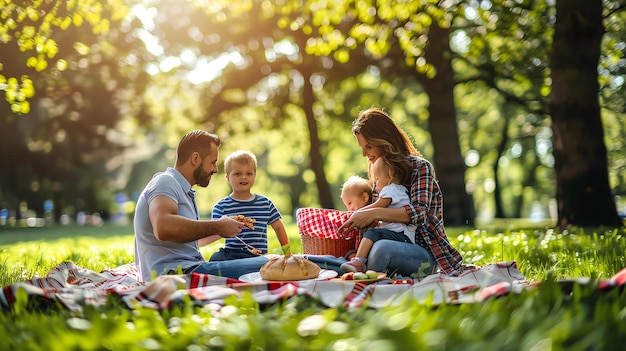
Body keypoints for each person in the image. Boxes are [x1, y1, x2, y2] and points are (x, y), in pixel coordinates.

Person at [338, 107, 463, 276]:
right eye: (362, 147)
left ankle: (368, 278)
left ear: (384, 140)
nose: (364, 154)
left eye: (369, 146)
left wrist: (373, 213)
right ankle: (362, 270)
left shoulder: (420, 167)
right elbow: (378, 219)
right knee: (346, 255)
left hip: (420, 251)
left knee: (382, 249)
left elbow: (420, 213)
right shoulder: (379, 173)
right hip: (385, 240)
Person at [133, 130, 270, 282]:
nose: (216, 169)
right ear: (196, 159)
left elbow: (186, 236)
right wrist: (218, 226)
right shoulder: (165, 181)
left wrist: (223, 227)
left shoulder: (182, 190)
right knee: (272, 263)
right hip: (176, 274)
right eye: (213, 162)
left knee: (273, 265)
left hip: (190, 269)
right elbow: (163, 228)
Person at [210, 150, 290, 261]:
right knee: (215, 258)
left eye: (249, 173)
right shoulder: (221, 206)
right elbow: (214, 231)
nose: (244, 177)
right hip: (232, 254)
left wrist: (287, 253)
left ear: (254, 175)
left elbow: (278, 227)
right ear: (227, 177)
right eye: (237, 174)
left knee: (267, 262)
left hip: (257, 255)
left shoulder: (265, 203)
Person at [340, 157, 417, 272]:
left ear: (389, 177)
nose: (375, 184)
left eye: (377, 179)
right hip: (401, 234)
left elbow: (379, 205)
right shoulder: (399, 190)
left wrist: (360, 212)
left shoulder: (390, 189)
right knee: (373, 234)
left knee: (373, 234)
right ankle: (359, 259)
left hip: (400, 233)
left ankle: (358, 261)